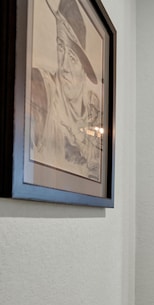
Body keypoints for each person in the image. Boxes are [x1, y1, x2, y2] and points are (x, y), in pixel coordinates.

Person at [30, 0, 103, 182]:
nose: (63, 66)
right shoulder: (44, 88)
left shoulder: (94, 107)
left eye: (72, 57)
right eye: (60, 48)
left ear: (84, 68)